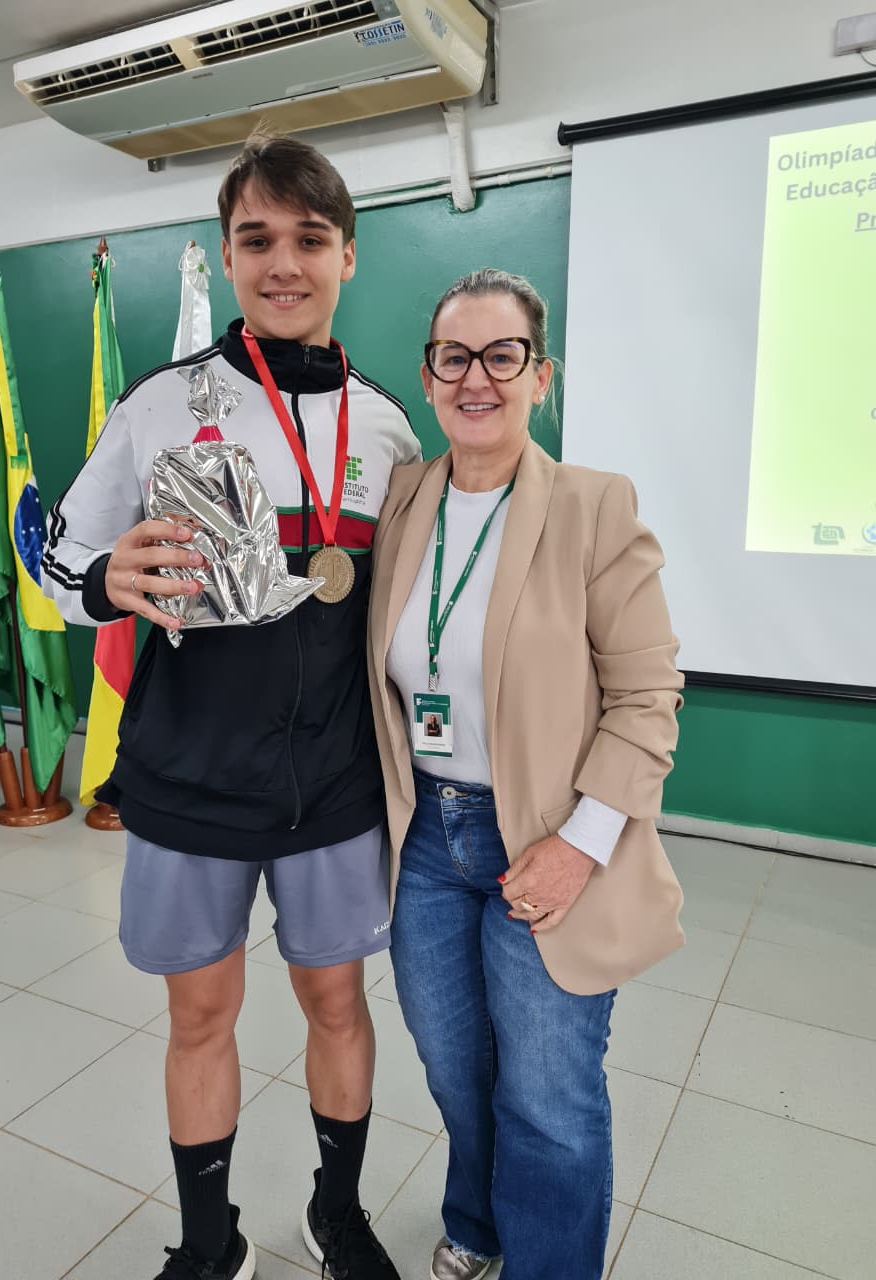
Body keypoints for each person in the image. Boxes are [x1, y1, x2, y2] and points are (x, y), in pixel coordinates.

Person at [43, 133, 420, 1280]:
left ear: (347, 254)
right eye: (257, 239)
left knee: (338, 1004)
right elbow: (61, 560)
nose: (284, 262)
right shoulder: (160, 404)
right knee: (199, 1017)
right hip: (189, 776)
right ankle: (210, 1244)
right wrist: (103, 580)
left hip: (336, 782)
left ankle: (335, 1214)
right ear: (226, 253)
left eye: (310, 238)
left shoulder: (389, 427)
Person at [367, 269, 685, 1280]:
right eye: (454, 356)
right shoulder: (403, 500)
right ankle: (480, 1217)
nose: (477, 377)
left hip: (546, 837)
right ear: (428, 377)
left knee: (548, 1095)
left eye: (502, 356)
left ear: (540, 376)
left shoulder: (594, 506)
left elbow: (648, 694)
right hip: (425, 837)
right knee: (455, 1066)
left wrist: (580, 844)